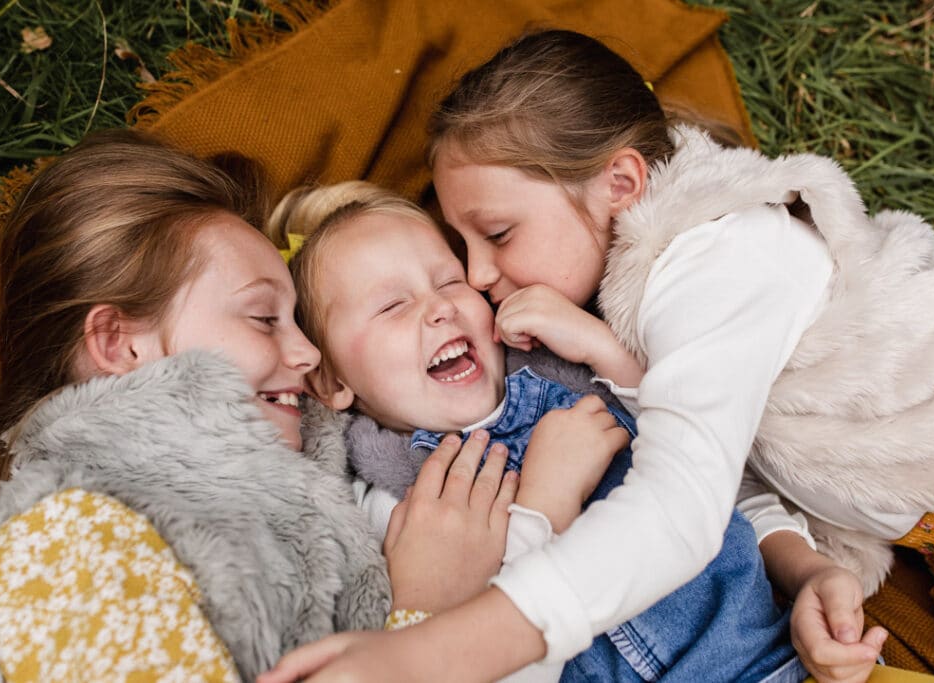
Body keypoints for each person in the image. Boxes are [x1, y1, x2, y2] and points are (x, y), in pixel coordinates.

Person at [260, 29, 934, 683]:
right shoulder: (385, 488)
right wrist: (806, 570)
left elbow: (686, 498)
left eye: (495, 234)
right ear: (329, 378)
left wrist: (427, 651)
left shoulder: (722, 257)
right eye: (461, 248)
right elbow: (708, 454)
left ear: (620, 185)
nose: (472, 280)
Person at [268, 180, 809, 682]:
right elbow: (482, 661)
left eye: (449, 281)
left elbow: (709, 458)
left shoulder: (567, 365)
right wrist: (545, 507)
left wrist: (605, 350)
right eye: (392, 305)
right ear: (330, 380)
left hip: (776, 656)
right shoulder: (390, 508)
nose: (439, 309)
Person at [0, 130, 408, 682]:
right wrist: (423, 611)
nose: (307, 352)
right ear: (121, 344)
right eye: (263, 318)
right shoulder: (65, 547)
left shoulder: (311, 489)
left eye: (298, 320)